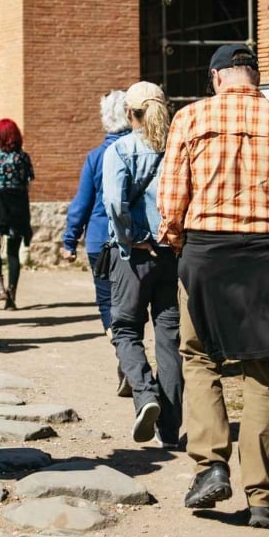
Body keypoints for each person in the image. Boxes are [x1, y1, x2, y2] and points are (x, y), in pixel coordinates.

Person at [157, 44, 269, 530]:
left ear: (216, 78)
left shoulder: (188, 120)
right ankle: (264, 497)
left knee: (198, 356)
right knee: (266, 374)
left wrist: (179, 247)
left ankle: (211, 464)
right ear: (254, 78)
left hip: (206, 253)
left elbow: (171, 201)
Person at [102, 81, 182, 449]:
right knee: (169, 339)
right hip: (171, 253)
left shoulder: (120, 149)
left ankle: (145, 395)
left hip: (134, 255)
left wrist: (128, 237)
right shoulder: (178, 150)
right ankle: (170, 428)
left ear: (129, 113)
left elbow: (116, 204)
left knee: (125, 329)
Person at [64, 90, 132, 335]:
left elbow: (81, 204)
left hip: (99, 240)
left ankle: (118, 343)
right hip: (134, 238)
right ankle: (129, 346)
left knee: (106, 299)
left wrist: (69, 241)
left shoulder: (95, 157)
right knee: (130, 300)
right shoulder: (140, 151)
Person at [0, 118, 34, 310]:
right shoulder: (23, 157)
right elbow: (28, 183)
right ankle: (11, 297)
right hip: (18, 206)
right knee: (13, 251)